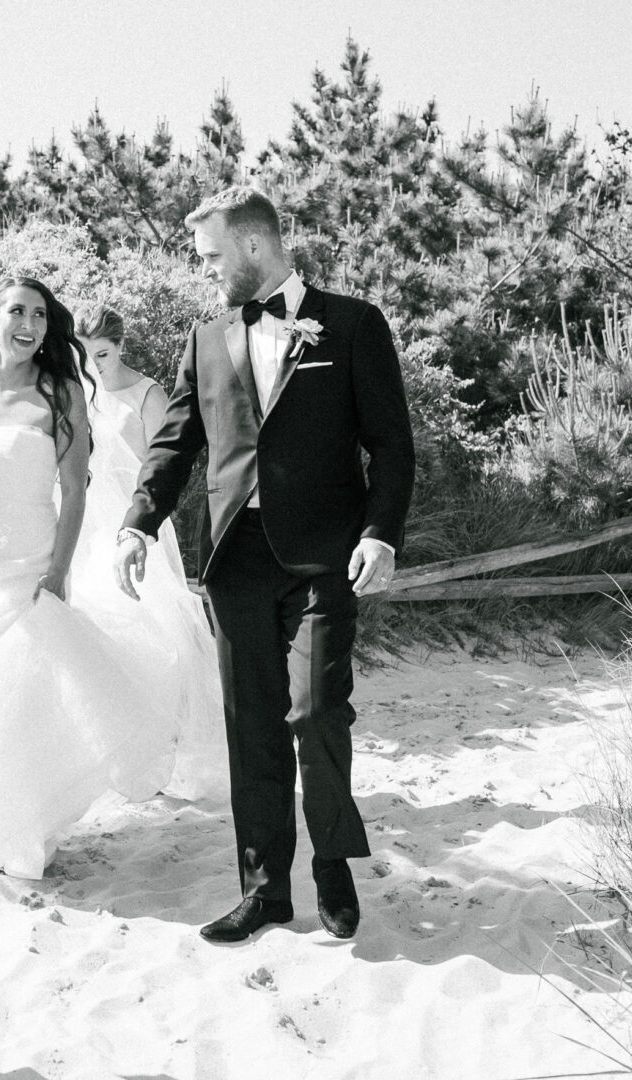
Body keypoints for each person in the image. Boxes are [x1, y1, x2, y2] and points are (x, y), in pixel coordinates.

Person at [113, 187, 414, 943]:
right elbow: (177, 441)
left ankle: (333, 865)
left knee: (316, 713)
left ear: (253, 247)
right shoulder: (204, 337)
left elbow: (392, 442)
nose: (206, 271)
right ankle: (265, 889)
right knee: (252, 725)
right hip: (235, 560)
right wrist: (138, 522)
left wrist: (380, 533)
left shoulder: (353, 324)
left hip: (327, 557)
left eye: (212, 255)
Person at [0, 276, 172, 880]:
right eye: (17, 312)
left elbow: (75, 491)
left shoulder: (61, 394)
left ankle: (24, 833)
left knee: (21, 702)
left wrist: (56, 576)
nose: (29, 324)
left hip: (32, 561)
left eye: (41, 316)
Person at [69, 304, 227, 802]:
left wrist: (141, 526)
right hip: (87, 527)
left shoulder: (146, 394)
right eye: (85, 354)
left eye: (104, 354)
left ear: (120, 346)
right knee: (100, 635)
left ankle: (165, 746)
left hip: (133, 528)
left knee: (158, 637)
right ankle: (122, 756)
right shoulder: (75, 393)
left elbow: (167, 465)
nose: (95, 365)